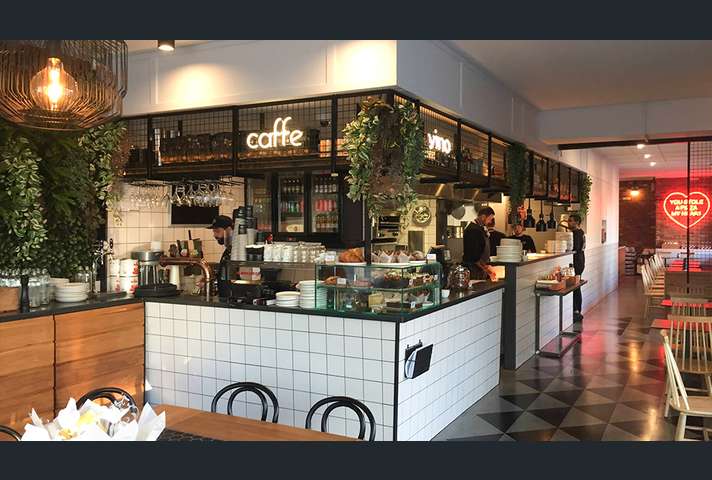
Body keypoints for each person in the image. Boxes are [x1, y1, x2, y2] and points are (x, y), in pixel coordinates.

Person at [462, 206, 497, 281]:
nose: (490, 222)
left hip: (479, 269)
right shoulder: (473, 230)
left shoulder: (480, 229)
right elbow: (474, 257)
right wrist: (487, 269)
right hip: (474, 270)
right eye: (489, 219)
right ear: (483, 217)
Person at [209, 215, 234, 299]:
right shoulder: (228, 250)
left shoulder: (236, 250)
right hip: (225, 298)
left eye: (217, 231)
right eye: (214, 231)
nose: (215, 235)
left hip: (232, 299)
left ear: (229, 230)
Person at [568, 213, 586, 322]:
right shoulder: (580, 232)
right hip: (580, 262)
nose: (568, 223)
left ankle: (576, 311)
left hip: (577, 263)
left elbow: (575, 248)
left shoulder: (576, 234)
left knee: (576, 287)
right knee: (576, 287)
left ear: (577, 222)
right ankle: (576, 310)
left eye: (570, 221)